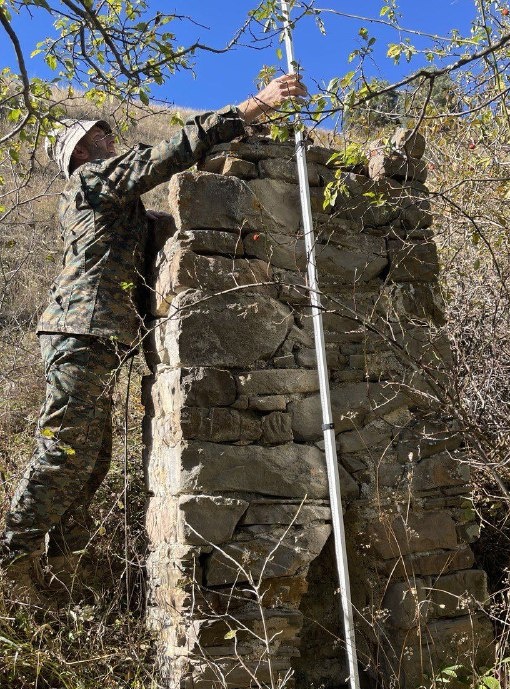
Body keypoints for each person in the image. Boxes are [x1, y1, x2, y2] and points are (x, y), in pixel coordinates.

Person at [1, 74, 307, 582]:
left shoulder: (113, 207)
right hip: (80, 332)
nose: (108, 137)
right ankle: (11, 556)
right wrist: (252, 106)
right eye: (97, 137)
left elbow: (160, 232)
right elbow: (167, 154)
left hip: (94, 335)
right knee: (63, 453)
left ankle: (55, 567)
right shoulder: (92, 182)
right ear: (79, 156)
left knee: (89, 461)